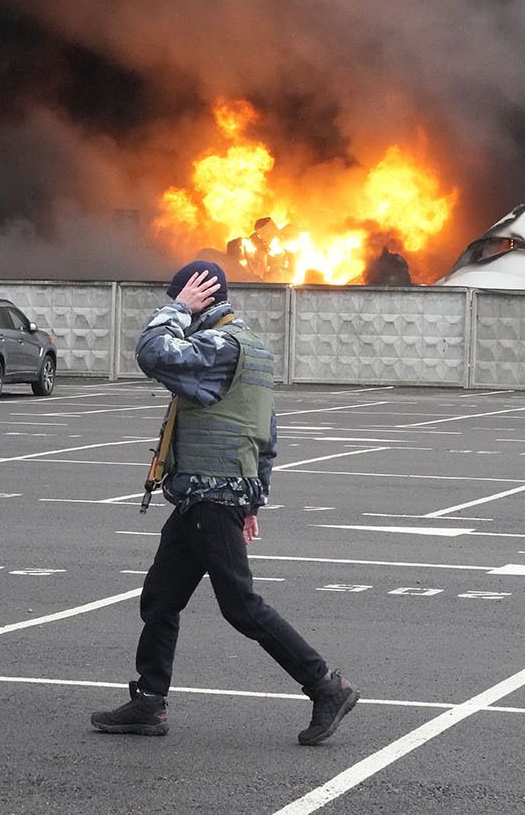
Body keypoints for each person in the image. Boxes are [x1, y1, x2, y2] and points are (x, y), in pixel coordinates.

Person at [89, 259, 359, 745]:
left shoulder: (218, 344)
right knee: (161, 598)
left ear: (201, 295)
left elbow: (152, 354)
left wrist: (176, 308)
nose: (181, 308)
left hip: (212, 498)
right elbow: (266, 433)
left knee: (241, 606)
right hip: (204, 498)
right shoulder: (250, 346)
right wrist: (254, 499)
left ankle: (325, 686)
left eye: (187, 297)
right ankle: (149, 703)